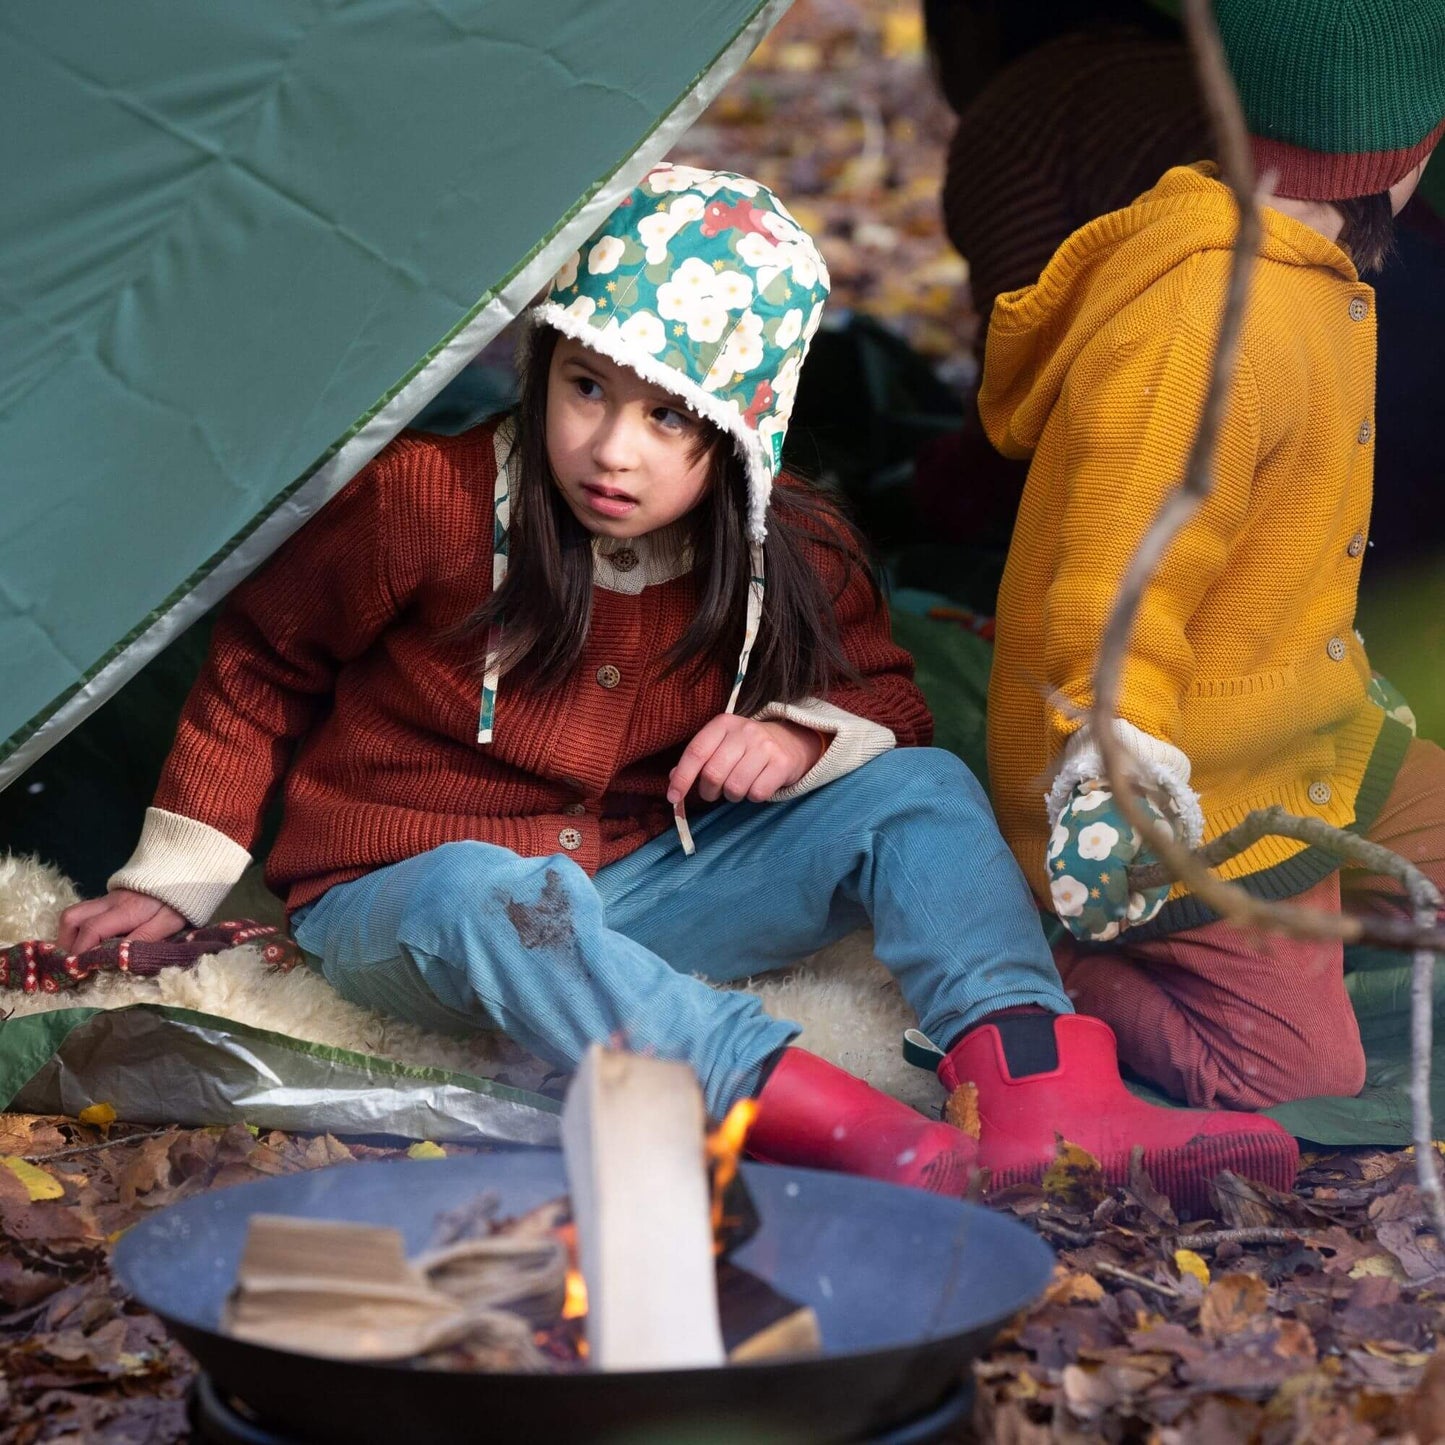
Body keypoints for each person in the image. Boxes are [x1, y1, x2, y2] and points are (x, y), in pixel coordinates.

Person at [57, 164, 1293, 1209]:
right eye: (586, 387)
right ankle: (850, 1131)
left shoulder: (787, 542)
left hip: (647, 882)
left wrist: (804, 740)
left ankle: (1038, 1098)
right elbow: (263, 659)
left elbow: (893, 701)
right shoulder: (419, 501)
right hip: (417, 900)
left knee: (917, 789)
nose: (612, 446)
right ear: (541, 364)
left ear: (741, 433)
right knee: (502, 892)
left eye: (669, 416)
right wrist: (172, 882)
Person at [980, 0, 1445, 1111]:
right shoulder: (1206, 326)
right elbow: (1113, 590)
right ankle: (1037, 964)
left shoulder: (1298, 274)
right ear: (1408, 148)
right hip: (1179, 795)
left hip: (1302, 736)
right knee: (1298, 1068)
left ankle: (1322, 908)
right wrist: (1117, 791)